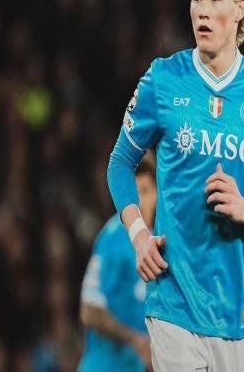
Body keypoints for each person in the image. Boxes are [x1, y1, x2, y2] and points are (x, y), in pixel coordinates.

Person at [107, 0, 244, 371]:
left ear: (240, 8)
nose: (202, 11)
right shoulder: (163, 80)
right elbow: (119, 163)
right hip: (172, 299)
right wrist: (138, 235)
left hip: (234, 312)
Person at [78, 159, 157, 371]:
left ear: (157, 194)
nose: (139, 200)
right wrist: (135, 340)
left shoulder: (163, 239)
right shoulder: (114, 236)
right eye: (134, 192)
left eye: (146, 191)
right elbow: (89, 311)